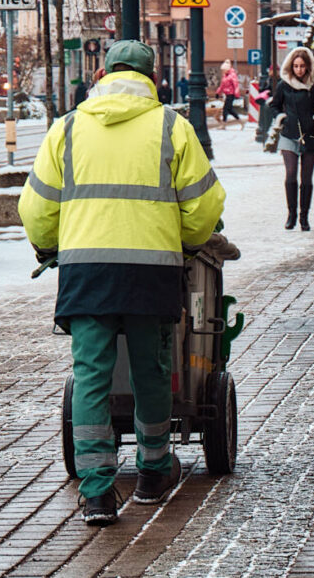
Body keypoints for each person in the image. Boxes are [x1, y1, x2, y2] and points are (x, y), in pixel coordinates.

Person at [18, 40, 225, 526]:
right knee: (152, 370)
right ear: (152, 77)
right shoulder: (171, 125)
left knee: (91, 375)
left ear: (101, 75)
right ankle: (153, 470)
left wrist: (50, 247)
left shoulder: (67, 129)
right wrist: (187, 242)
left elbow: (35, 207)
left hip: (86, 270)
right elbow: (205, 204)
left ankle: (97, 493)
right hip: (151, 268)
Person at [268, 47, 314, 231]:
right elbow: (275, 105)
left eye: (302, 66)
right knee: (290, 175)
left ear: (308, 66)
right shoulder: (284, 84)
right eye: (295, 66)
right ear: (291, 66)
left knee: (306, 178)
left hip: (310, 133)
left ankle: (304, 217)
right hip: (289, 133)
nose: (299, 70)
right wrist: (282, 118)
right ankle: (291, 215)